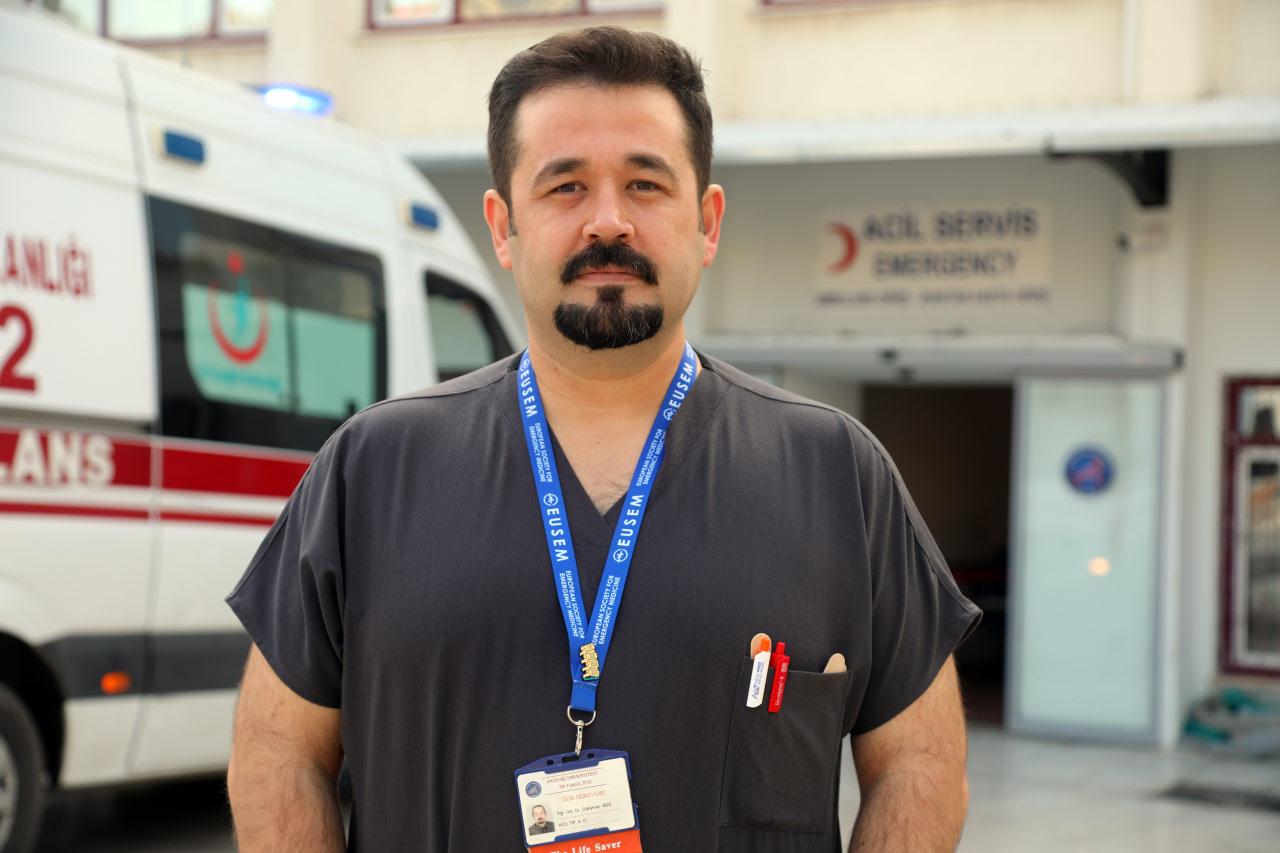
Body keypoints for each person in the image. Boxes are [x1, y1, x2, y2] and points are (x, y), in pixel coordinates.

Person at [225, 26, 980, 853]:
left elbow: (920, 763)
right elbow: (278, 753)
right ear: (504, 226)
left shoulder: (836, 473)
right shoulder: (372, 467)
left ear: (707, 222)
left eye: (646, 184)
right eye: (566, 186)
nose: (608, 221)